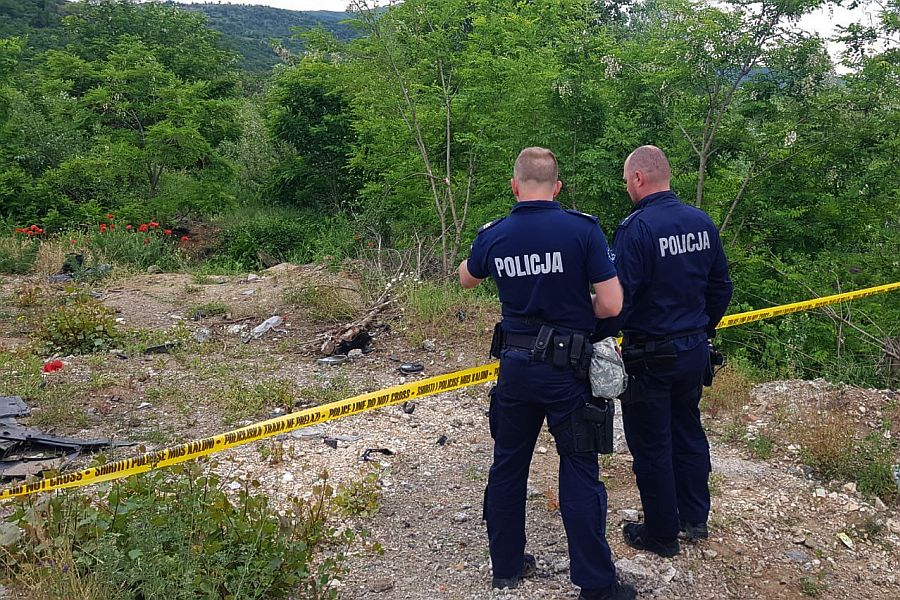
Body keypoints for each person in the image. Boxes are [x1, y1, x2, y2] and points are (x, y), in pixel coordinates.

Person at [459, 147, 635, 600]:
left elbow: (466, 278)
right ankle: (596, 585)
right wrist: (580, 316)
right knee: (579, 468)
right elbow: (612, 304)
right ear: (557, 187)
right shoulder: (582, 230)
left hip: (515, 369)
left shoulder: (495, 235)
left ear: (515, 186)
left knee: (509, 463)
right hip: (567, 371)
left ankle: (506, 566)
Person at [610, 145, 733, 557]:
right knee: (688, 431)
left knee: (651, 445)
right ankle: (695, 518)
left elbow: (620, 298)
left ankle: (661, 534)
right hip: (693, 349)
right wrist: (702, 328)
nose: (627, 187)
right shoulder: (701, 221)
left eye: (627, 180)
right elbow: (721, 287)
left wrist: (601, 334)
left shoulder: (636, 228)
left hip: (649, 354)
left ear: (640, 178)